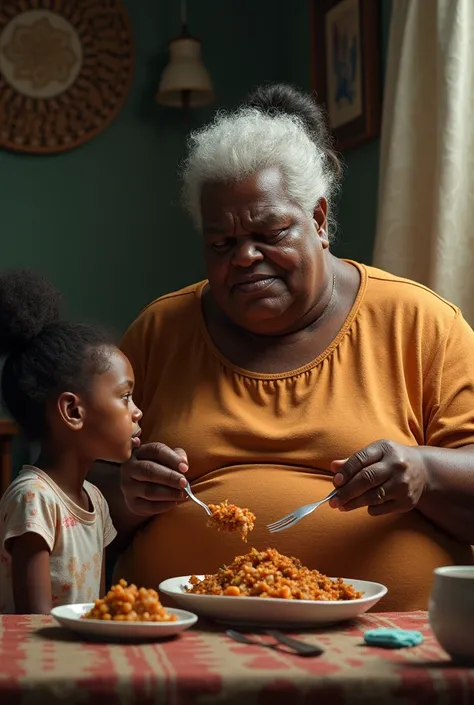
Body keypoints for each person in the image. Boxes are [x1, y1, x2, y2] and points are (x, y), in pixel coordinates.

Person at [90, 84, 474, 611]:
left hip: (390, 643)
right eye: (221, 243)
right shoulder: (161, 331)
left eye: (269, 232)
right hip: (179, 632)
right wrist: (130, 499)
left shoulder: (421, 323)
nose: (245, 257)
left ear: (317, 220)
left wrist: (426, 473)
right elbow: (78, 495)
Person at [0, 270, 142, 614]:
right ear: (73, 411)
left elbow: (99, 611)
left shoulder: (95, 500)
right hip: (42, 664)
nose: (137, 412)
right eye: (125, 397)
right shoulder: (34, 499)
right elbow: (32, 625)